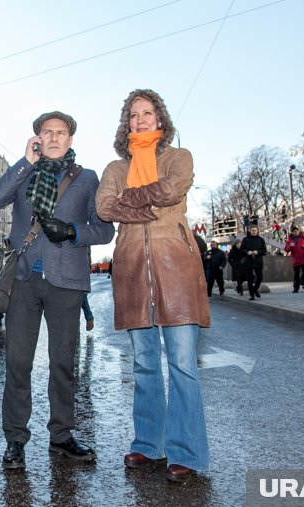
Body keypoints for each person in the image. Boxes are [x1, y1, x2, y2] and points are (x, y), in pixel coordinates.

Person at [0, 110, 115, 470]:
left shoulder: (87, 178)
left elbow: (105, 231)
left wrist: (73, 231)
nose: (55, 137)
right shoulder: (24, 173)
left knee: (62, 361)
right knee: (17, 361)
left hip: (66, 282)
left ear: (70, 139)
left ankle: (61, 436)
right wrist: (25, 162)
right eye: (48, 132)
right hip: (25, 279)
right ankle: (15, 439)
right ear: (38, 138)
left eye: (61, 132)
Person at [95, 89, 210, 483]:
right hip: (130, 270)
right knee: (144, 363)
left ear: (161, 120)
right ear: (126, 123)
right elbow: (104, 206)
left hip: (175, 266)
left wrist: (132, 202)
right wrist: (147, 203)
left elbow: (172, 190)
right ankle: (149, 444)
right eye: (133, 114)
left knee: (182, 364)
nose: (141, 120)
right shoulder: (114, 167)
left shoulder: (179, 157)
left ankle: (187, 452)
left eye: (147, 113)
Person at [284, 225, 304, 293]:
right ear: (292, 232)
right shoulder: (289, 239)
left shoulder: (303, 237)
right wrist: (290, 246)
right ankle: (296, 288)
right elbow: (286, 249)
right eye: (294, 231)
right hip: (296, 259)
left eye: (297, 231)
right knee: (296, 275)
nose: (296, 232)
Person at [241, 224, 267, 301]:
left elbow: (264, 251)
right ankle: (251, 294)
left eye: (255, 230)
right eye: (252, 230)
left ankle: (255, 290)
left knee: (259, 277)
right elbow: (241, 249)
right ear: (250, 231)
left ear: (258, 231)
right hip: (248, 261)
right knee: (250, 279)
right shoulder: (245, 239)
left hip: (258, 260)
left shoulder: (261, 240)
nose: (254, 232)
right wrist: (247, 252)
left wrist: (258, 251)